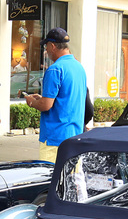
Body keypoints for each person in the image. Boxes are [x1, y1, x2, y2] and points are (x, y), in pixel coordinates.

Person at [25, 27, 87, 162]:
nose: (46, 50)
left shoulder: (55, 69)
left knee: (51, 179)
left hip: (55, 137)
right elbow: (67, 98)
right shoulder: (79, 67)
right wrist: (43, 99)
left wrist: (32, 101)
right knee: (70, 179)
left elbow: (46, 105)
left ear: (52, 46)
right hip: (75, 135)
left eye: (46, 46)